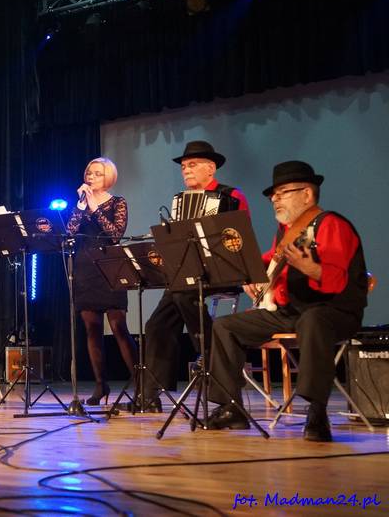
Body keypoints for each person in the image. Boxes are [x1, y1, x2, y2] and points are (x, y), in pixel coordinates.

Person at [206, 161, 368, 442]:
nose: (274, 199)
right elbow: (270, 260)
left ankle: (317, 412)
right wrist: (250, 273)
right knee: (225, 326)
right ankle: (232, 408)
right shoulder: (287, 230)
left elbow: (339, 281)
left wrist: (311, 269)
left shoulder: (332, 224)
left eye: (282, 192)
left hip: (335, 310)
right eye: (273, 194)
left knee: (313, 320)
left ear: (307, 194)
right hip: (291, 311)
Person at [141, 140, 249, 412]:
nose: (186, 170)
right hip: (187, 276)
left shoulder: (231, 195)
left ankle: (212, 360)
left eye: (192, 165)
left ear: (210, 168)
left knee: (184, 295)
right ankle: (151, 394)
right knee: (156, 325)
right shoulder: (180, 202)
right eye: (183, 167)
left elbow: (239, 239)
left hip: (222, 270)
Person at [67, 157, 137, 405]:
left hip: (110, 266)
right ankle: (100, 384)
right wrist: (81, 206)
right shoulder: (81, 204)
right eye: (89, 173)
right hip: (85, 268)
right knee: (92, 328)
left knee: (118, 327)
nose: (91, 177)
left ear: (108, 177)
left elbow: (115, 234)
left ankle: (140, 384)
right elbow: (69, 232)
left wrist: (95, 207)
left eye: (97, 173)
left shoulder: (118, 202)